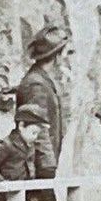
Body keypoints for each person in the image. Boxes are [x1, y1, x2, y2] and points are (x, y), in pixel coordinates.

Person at [16, 21, 70, 162]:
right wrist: (49, 170)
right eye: (65, 53)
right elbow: (38, 129)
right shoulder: (36, 84)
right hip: (38, 170)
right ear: (57, 56)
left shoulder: (42, 80)